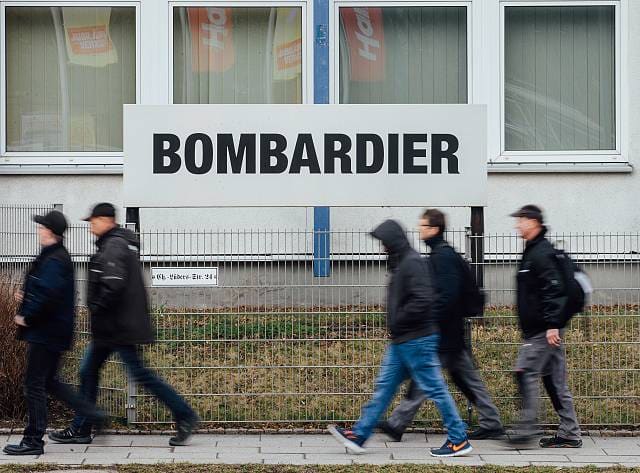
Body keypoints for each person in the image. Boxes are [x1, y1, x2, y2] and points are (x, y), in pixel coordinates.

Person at [48, 203, 199, 447]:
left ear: (107, 220)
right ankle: (81, 427)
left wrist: (96, 307)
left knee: (140, 374)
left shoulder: (114, 245)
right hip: (110, 328)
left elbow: (113, 284)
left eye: (94, 221)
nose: (90, 226)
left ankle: (185, 414)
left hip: (118, 328)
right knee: (88, 371)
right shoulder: (113, 244)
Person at [328, 219, 472, 457]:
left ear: (393, 241)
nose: (382, 247)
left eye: (384, 242)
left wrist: (399, 319)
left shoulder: (412, 262)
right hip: (402, 340)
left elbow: (423, 299)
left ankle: (458, 439)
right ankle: (359, 435)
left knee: (435, 388)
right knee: (384, 387)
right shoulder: (401, 262)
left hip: (417, 339)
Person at [379, 209, 504, 442]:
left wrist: (429, 320)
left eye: (423, 226)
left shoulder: (443, 257)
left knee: (426, 377)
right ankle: (491, 422)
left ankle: (397, 422)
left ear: (435, 229)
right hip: (450, 330)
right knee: (464, 377)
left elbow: (446, 296)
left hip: (444, 331)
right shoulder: (442, 254)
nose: (419, 230)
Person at [3, 211, 105, 456]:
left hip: (46, 332)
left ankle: (33, 440)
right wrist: (26, 296)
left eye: (42, 227)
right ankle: (91, 412)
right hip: (52, 331)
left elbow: (48, 296)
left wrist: (27, 316)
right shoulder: (53, 256)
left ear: (50, 231)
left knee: (34, 385)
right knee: (49, 382)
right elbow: (44, 290)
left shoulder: (55, 259)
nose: (39, 230)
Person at [509, 205, 582, 448]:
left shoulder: (541, 253)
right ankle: (570, 432)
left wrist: (552, 324)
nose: (517, 225)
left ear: (533, 222)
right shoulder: (533, 250)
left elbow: (554, 288)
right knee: (555, 382)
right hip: (545, 328)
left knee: (525, 372)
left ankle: (526, 429)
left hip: (543, 330)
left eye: (521, 220)